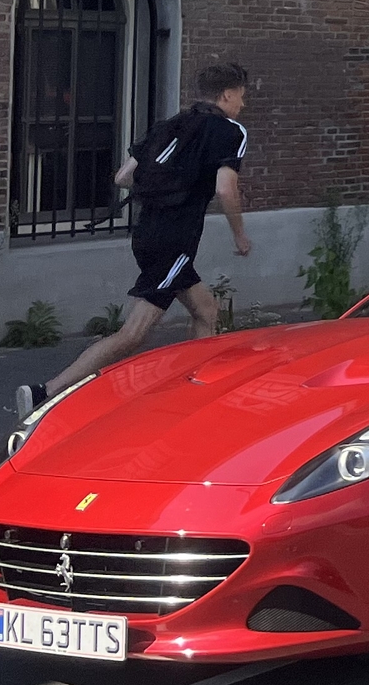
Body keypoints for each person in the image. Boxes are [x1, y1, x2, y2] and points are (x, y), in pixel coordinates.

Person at [14, 61, 252, 419]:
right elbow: (226, 189)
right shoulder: (230, 131)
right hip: (175, 242)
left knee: (206, 310)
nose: (243, 106)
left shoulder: (169, 126)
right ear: (227, 95)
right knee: (134, 333)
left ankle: (199, 390)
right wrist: (240, 234)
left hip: (146, 233)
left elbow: (123, 177)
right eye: (242, 98)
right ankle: (45, 392)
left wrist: (166, 186)